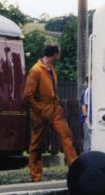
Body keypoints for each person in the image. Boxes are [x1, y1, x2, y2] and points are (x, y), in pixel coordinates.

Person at [23, 43, 77, 182]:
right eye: (58, 53)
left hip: (54, 108)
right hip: (41, 111)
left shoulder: (51, 68)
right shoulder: (36, 70)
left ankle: (76, 170)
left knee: (67, 137)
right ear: (54, 54)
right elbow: (27, 95)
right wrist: (39, 109)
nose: (59, 55)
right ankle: (35, 176)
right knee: (36, 144)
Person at [79, 76, 91, 152]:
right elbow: (84, 105)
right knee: (88, 140)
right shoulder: (87, 91)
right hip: (88, 118)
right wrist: (86, 117)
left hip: (90, 118)